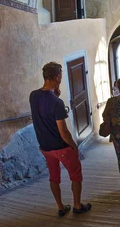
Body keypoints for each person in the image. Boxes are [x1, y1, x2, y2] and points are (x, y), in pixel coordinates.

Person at [29, 62, 92, 217]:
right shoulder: (57, 102)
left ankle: (61, 207)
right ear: (57, 77)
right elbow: (63, 132)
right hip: (61, 147)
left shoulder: (33, 95)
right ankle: (77, 205)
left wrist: (54, 93)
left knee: (54, 176)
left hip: (45, 147)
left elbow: (42, 112)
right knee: (75, 175)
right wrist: (74, 146)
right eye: (61, 76)